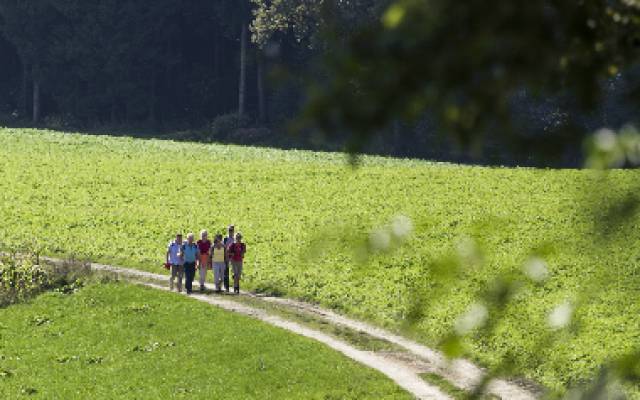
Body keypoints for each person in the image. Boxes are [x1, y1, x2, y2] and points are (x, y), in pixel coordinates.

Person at [222, 225, 235, 293]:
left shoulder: (235, 239)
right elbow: (223, 248)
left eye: (232, 230)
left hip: (233, 257)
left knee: (234, 272)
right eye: (229, 230)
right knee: (226, 272)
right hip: (226, 256)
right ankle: (226, 286)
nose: (231, 232)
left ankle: (235, 286)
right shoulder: (225, 239)